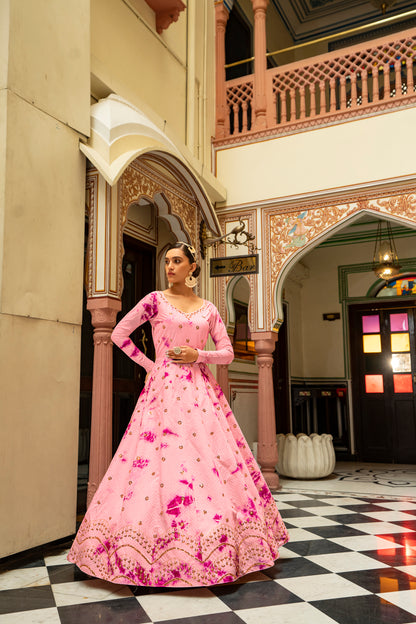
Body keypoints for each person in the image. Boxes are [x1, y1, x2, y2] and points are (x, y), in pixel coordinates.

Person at [68, 241, 288, 587]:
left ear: (192, 267)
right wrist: (151, 365)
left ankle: (216, 546)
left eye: (176, 261)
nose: (169, 267)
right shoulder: (154, 300)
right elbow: (120, 334)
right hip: (163, 390)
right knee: (157, 461)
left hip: (201, 392)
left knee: (205, 463)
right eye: (166, 261)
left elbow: (227, 353)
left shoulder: (209, 309)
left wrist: (198, 354)